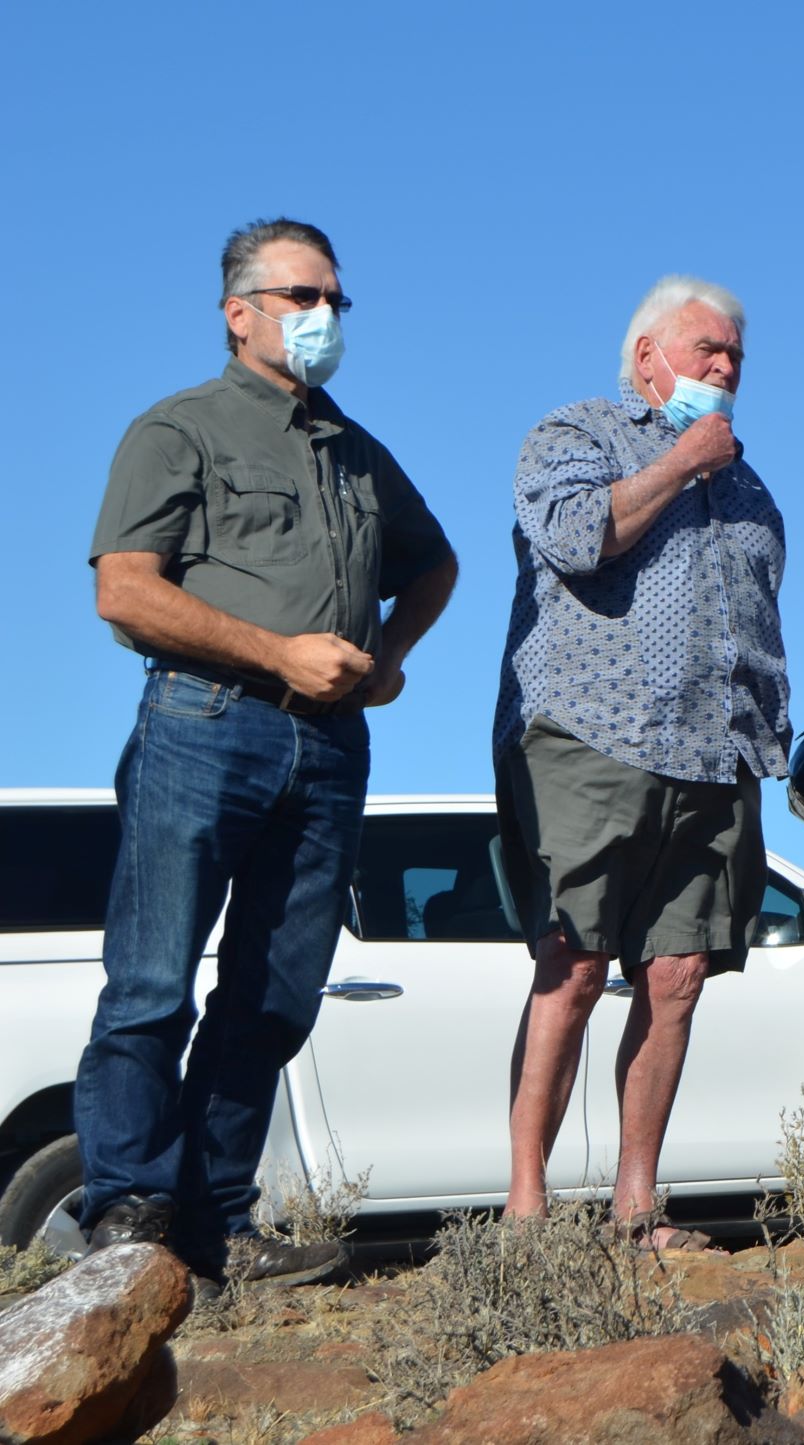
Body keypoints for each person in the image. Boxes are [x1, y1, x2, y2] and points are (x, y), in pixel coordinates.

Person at [77, 218, 457, 1289]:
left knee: (275, 998)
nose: (324, 317)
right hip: (204, 724)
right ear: (239, 311)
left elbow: (435, 563)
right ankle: (127, 1216)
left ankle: (216, 1224)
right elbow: (126, 590)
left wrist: (386, 657)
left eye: (336, 298)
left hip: (330, 748)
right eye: (302, 297)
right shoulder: (179, 429)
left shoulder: (355, 448)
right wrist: (274, 649)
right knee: (153, 982)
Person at [494, 275, 790, 1247]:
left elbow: (756, 624)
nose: (726, 367)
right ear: (647, 358)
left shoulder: (750, 489)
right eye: (707, 348)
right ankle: (528, 1210)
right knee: (574, 963)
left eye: (736, 355)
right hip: (594, 738)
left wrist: (763, 743)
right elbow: (581, 539)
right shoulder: (574, 434)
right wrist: (681, 462)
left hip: (714, 760)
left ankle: (636, 1207)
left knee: (678, 974)